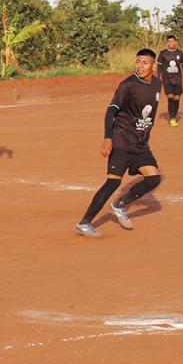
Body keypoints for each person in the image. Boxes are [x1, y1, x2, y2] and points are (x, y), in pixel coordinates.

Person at [75, 49, 163, 238]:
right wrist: (108, 137)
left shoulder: (157, 84)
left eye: (145, 62)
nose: (140, 66)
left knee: (154, 178)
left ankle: (119, 205)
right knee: (112, 182)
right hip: (121, 139)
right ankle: (84, 223)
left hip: (140, 144)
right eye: (138, 62)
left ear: (153, 65)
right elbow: (110, 112)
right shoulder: (127, 85)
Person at [156, 35, 183, 126]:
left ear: (175, 42)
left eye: (172, 41)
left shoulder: (180, 53)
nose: (171, 43)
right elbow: (159, 66)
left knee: (177, 99)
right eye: (169, 41)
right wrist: (158, 77)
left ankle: (174, 115)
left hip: (177, 79)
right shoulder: (163, 53)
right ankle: (172, 118)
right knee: (170, 97)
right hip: (167, 79)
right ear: (167, 43)